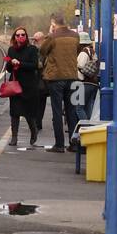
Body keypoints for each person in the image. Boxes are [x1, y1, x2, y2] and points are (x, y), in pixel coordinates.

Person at [38, 12, 81, 153]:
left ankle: (59, 145)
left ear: (53, 24)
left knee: (57, 112)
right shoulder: (75, 36)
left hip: (56, 78)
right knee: (71, 112)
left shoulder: (52, 36)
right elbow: (76, 50)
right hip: (72, 77)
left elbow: (42, 50)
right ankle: (74, 143)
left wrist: (49, 33)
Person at [3, 28, 41, 148]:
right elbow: (8, 68)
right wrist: (11, 63)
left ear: (26, 36)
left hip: (29, 86)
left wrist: (20, 63)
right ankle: (14, 137)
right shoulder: (11, 50)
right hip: (15, 85)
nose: (20, 37)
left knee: (29, 113)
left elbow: (34, 65)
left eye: (23, 34)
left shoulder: (32, 49)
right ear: (14, 37)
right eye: (18, 35)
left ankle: (33, 131)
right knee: (14, 112)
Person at [31, 30, 47, 133]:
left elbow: (39, 64)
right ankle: (38, 122)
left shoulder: (40, 50)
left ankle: (37, 123)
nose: (34, 41)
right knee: (41, 103)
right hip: (41, 80)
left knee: (37, 102)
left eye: (35, 39)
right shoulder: (44, 49)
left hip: (39, 80)